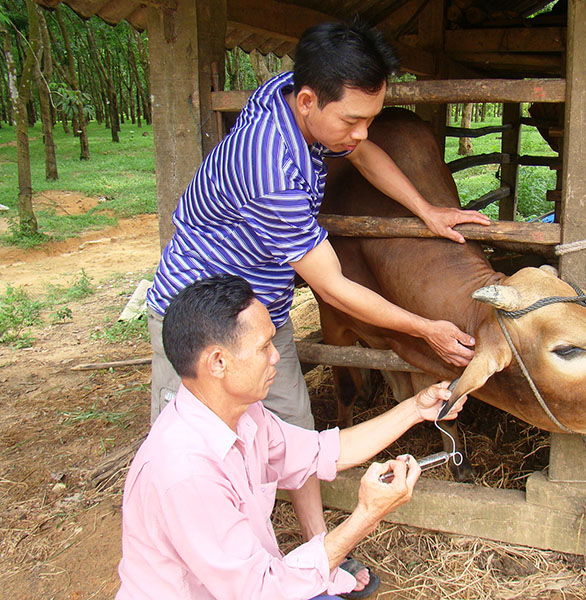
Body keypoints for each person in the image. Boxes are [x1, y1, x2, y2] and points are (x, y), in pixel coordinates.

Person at [144, 17, 489, 568]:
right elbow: (334, 285)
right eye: (352, 119)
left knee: (294, 429)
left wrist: (425, 209)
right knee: (194, 446)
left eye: (370, 118)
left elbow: (358, 150)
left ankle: (315, 550)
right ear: (307, 101)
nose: (361, 132)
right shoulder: (270, 167)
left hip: (258, 311)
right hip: (195, 311)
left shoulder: (292, 94)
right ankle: (208, 564)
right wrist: (426, 328)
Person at [118, 275, 466, 599]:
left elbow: (322, 451)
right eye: (264, 346)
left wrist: (417, 410)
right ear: (218, 363)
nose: (276, 356)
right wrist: (367, 515)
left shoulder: (243, 415)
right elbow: (263, 591)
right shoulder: (187, 473)